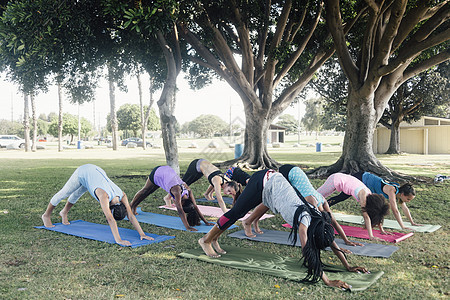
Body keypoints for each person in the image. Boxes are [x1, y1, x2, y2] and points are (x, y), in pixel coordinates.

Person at [198, 169, 367, 289]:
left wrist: (348, 266)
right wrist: (327, 281)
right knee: (236, 212)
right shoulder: (305, 221)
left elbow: (329, 240)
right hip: (264, 180)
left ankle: (215, 238)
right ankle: (205, 240)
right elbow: (309, 251)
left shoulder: (318, 216)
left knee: (240, 211)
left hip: (271, 184)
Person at [242, 164, 363, 253]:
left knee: (273, 199)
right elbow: (311, 231)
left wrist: (346, 241)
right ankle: (248, 222)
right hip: (290, 172)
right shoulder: (313, 204)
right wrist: (338, 248)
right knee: (272, 198)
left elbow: (334, 222)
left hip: (297, 173)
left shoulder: (323, 203)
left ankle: (254, 221)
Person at [41, 164, 154, 246]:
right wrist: (118, 240)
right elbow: (110, 218)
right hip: (84, 172)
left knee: (77, 194)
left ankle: (64, 212)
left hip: (96, 173)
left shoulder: (122, 195)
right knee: (64, 193)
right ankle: (46, 215)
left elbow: (131, 215)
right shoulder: (104, 196)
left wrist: (142, 233)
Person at [130, 165, 214, 231]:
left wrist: (206, 222)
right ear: (182, 203)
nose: (176, 204)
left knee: (149, 192)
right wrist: (187, 227)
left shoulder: (189, 191)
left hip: (166, 174)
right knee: (145, 190)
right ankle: (130, 207)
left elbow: (195, 207)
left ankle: (134, 206)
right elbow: (180, 211)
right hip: (159, 172)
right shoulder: (177, 192)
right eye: (180, 204)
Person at [327, 171, 419, 230]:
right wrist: (402, 226)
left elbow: (405, 208)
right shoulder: (392, 190)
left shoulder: (399, 194)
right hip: (361, 178)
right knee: (342, 197)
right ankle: (324, 205)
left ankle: (324, 206)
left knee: (344, 197)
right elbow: (395, 210)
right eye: (408, 199)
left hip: (365, 183)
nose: (408, 201)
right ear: (402, 194)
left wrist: (412, 222)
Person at [317, 173, 389, 241]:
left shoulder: (370, 194)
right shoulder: (363, 196)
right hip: (336, 179)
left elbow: (379, 213)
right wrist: (371, 236)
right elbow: (366, 216)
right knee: (315, 196)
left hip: (340, 179)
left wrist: (381, 230)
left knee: (317, 197)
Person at [164, 159, 240, 213]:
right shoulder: (217, 180)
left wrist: (239, 208)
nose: (227, 193)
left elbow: (235, 195)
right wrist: (225, 211)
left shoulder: (228, 181)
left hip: (203, 166)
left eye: (230, 193)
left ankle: (206, 194)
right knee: (183, 184)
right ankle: (167, 197)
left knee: (185, 184)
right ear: (227, 184)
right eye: (228, 191)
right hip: (196, 165)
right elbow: (219, 199)